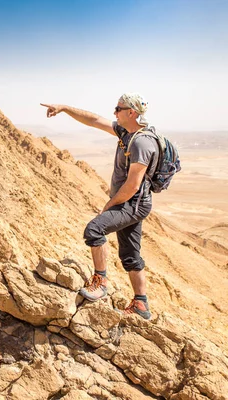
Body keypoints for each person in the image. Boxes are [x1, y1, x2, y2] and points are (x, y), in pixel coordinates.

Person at [41, 94, 158, 319]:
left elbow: (133, 185)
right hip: (131, 203)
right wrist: (64, 107)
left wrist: (109, 205)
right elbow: (94, 120)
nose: (114, 112)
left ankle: (100, 282)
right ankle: (141, 304)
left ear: (131, 113)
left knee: (94, 230)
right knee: (130, 254)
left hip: (131, 203)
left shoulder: (142, 142)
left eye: (118, 108)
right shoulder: (127, 133)